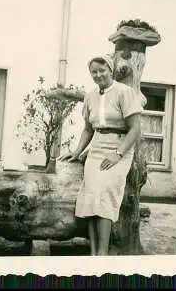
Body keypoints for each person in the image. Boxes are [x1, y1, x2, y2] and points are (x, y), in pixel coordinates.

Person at [59, 55, 143, 256]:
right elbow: (88, 129)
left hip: (119, 147)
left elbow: (135, 129)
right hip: (96, 148)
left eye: (102, 70)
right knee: (90, 197)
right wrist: (77, 152)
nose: (98, 75)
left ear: (110, 69)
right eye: (94, 72)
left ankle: (103, 254)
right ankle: (94, 252)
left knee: (105, 196)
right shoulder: (90, 96)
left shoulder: (125, 92)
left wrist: (117, 154)